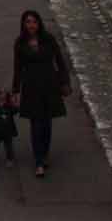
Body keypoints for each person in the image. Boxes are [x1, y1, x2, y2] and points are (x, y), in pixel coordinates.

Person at [12, 9, 70, 176]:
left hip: (50, 86)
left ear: (39, 24)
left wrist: (64, 82)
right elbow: (17, 68)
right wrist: (16, 90)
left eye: (34, 22)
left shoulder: (48, 40)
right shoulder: (20, 43)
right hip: (31, 87)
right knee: (36, 124)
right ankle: (38, 161)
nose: (31, 25)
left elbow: (59, 61)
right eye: (28, 22)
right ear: (24, 24)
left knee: (46, 123)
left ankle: (44, 154)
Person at [0, 89, 20, 164]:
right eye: (1, 95)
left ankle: (9, 159)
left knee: (9, 146)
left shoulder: (9, 107)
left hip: (8, 131)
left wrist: (15, 101)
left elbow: (16, 109)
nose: (2, 98)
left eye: (4, 95)